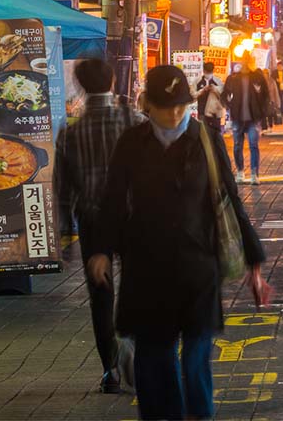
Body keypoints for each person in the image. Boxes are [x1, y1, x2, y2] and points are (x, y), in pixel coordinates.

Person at [86, 66, 269, 421]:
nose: (174, 114)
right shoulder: (131, 143)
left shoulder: (205, 138)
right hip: (146, 267)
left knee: (196, 354)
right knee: (155, 356)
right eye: (166, 106)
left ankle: (200, 416)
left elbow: (230, 198)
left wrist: (254, 262)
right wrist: (101, 251)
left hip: (198, 267)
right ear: (147, 106)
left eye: (181, 106)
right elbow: (111, 200)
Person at [54, 59, 144, 393]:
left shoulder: (71, 132)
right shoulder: (133, 121)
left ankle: (110, 369)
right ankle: (129, 343)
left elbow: (63, 190)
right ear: (113, 81)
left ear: (79, 86)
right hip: (134, 218)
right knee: (136, 286)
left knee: (100, 295)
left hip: (92, 220)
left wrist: (62, 235)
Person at [222, 55, 271, 184]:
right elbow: (224, 94)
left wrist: (262, 111)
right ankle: (240, 171)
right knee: (237, 146)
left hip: (253, 118)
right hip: (238, 117)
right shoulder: (233, 78)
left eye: (248, 61)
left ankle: (255, 173)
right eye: (244, 61)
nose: (246, 63)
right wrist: (229, 106)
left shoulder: (257, 77)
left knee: (253, 145)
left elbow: (266, 94)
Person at [195, 62, 224, 133]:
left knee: (216, 133)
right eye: (207, 72)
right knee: (203, 133)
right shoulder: (198, 81)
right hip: (202, 111)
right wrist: (202, 91)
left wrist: (215, 89)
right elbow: (193, 95)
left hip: (215, 112)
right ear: (203, 71)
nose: (208, 74)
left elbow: (224, 95)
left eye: (210, 72)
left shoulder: (218, 81)